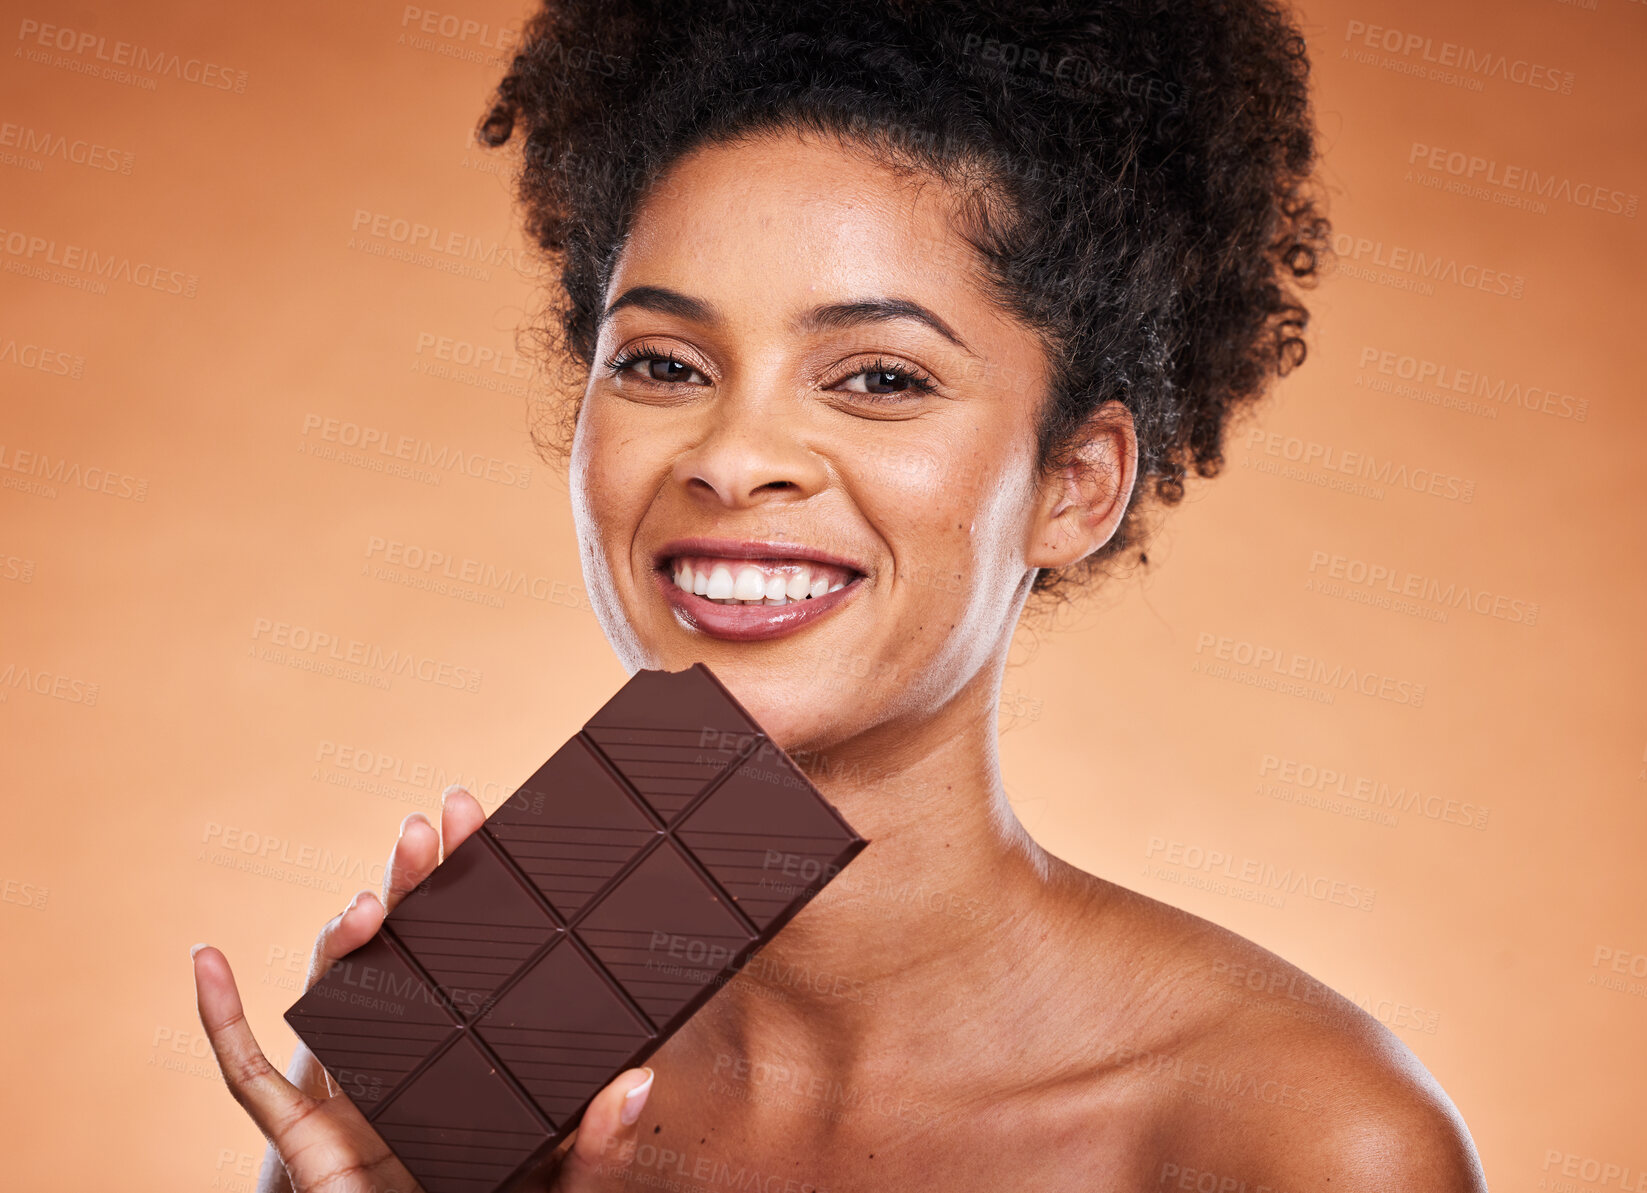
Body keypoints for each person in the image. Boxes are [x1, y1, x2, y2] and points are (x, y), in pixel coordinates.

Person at [192, 0, 1491, 1188]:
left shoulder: (1294, 1134)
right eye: (662, 362)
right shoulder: (462, 1044)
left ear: (1077, 484)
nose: (733, 457)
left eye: (878, 378)